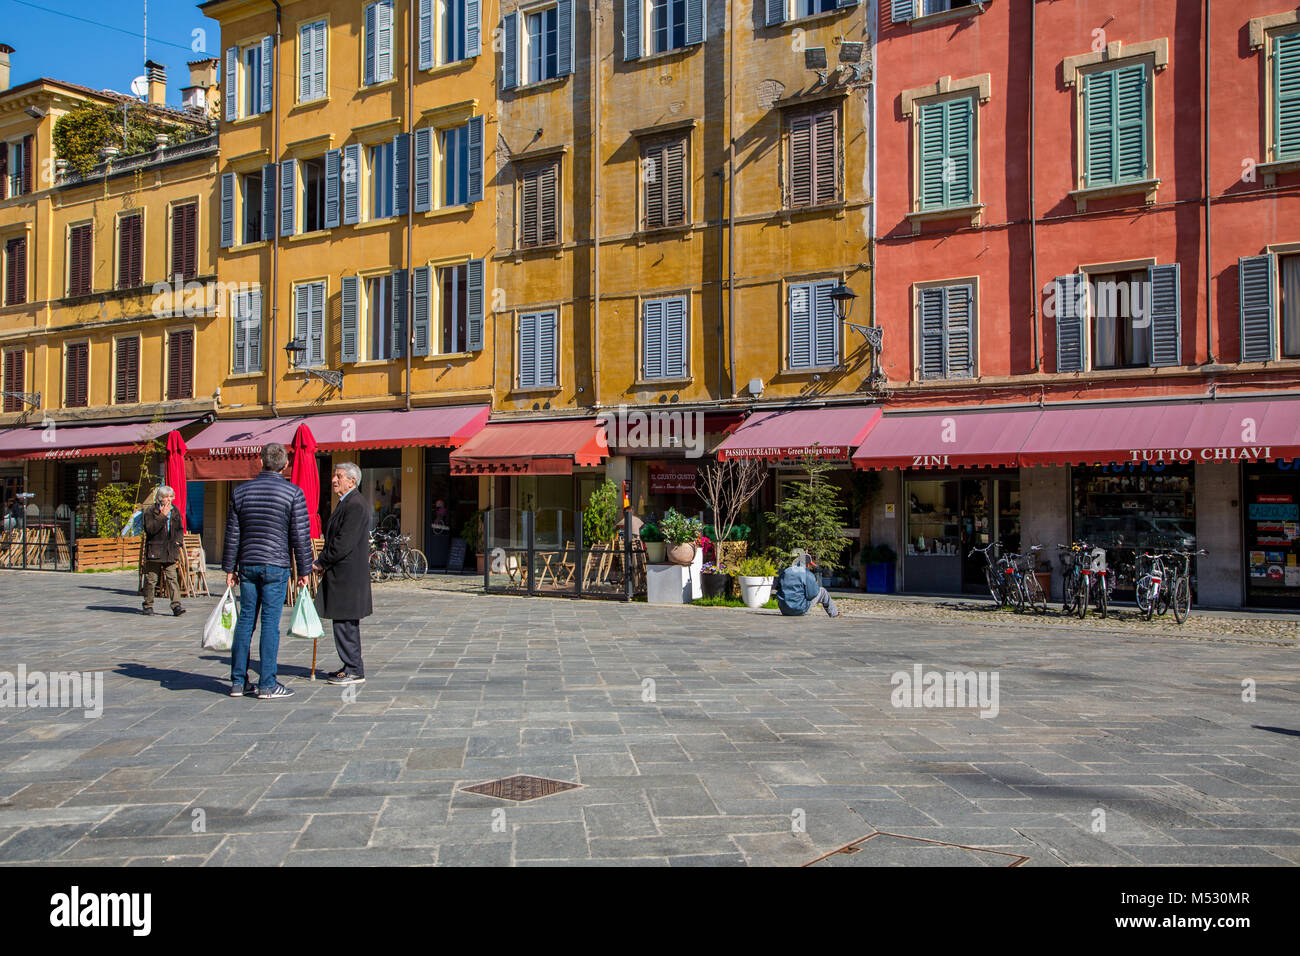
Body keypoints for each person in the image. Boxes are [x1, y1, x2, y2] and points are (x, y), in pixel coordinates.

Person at [222, 443, 312, 700]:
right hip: (276, 564)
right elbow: (301, 536)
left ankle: (238, 682)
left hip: (248, 563)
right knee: (270, 623)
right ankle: (267, 683)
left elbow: (233, 535)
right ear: (285, 466)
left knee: (246, 620)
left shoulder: (241, 492)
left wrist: (229, 567)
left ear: (261, 462)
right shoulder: (293, 493)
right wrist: (304, 570)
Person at [313, 462, 373, 685]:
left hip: (347, 576)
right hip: (344, 575)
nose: (334, 480)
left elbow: (343, 542)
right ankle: (350, 665)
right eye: (335, 476)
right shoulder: (347, 503)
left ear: (352, 480)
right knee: (344, 623)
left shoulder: (354, 505)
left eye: (339, 476)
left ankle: (354, 669)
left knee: (346, 623)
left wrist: (322, 561)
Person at [140, 486, 186, 617]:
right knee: (151, 579)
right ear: (160, 498)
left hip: (170, 550)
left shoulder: (175, 511)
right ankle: (148, 605)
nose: (169, 499)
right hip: (155, 549)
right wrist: (162, 516)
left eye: (171, 496)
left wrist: (178, 541)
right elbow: (150, 529)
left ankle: (176, 605)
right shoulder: (151, 511)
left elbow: (179, 529)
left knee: (172, 578)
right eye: (166, 497)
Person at [774, 549, 840, 618]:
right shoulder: (807, 574)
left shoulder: (786, 571)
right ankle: (834, 614)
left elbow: (777, 587)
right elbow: (812, 594)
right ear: (807, 564)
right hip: (799, 610)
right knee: (823, 592)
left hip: (784, 609)